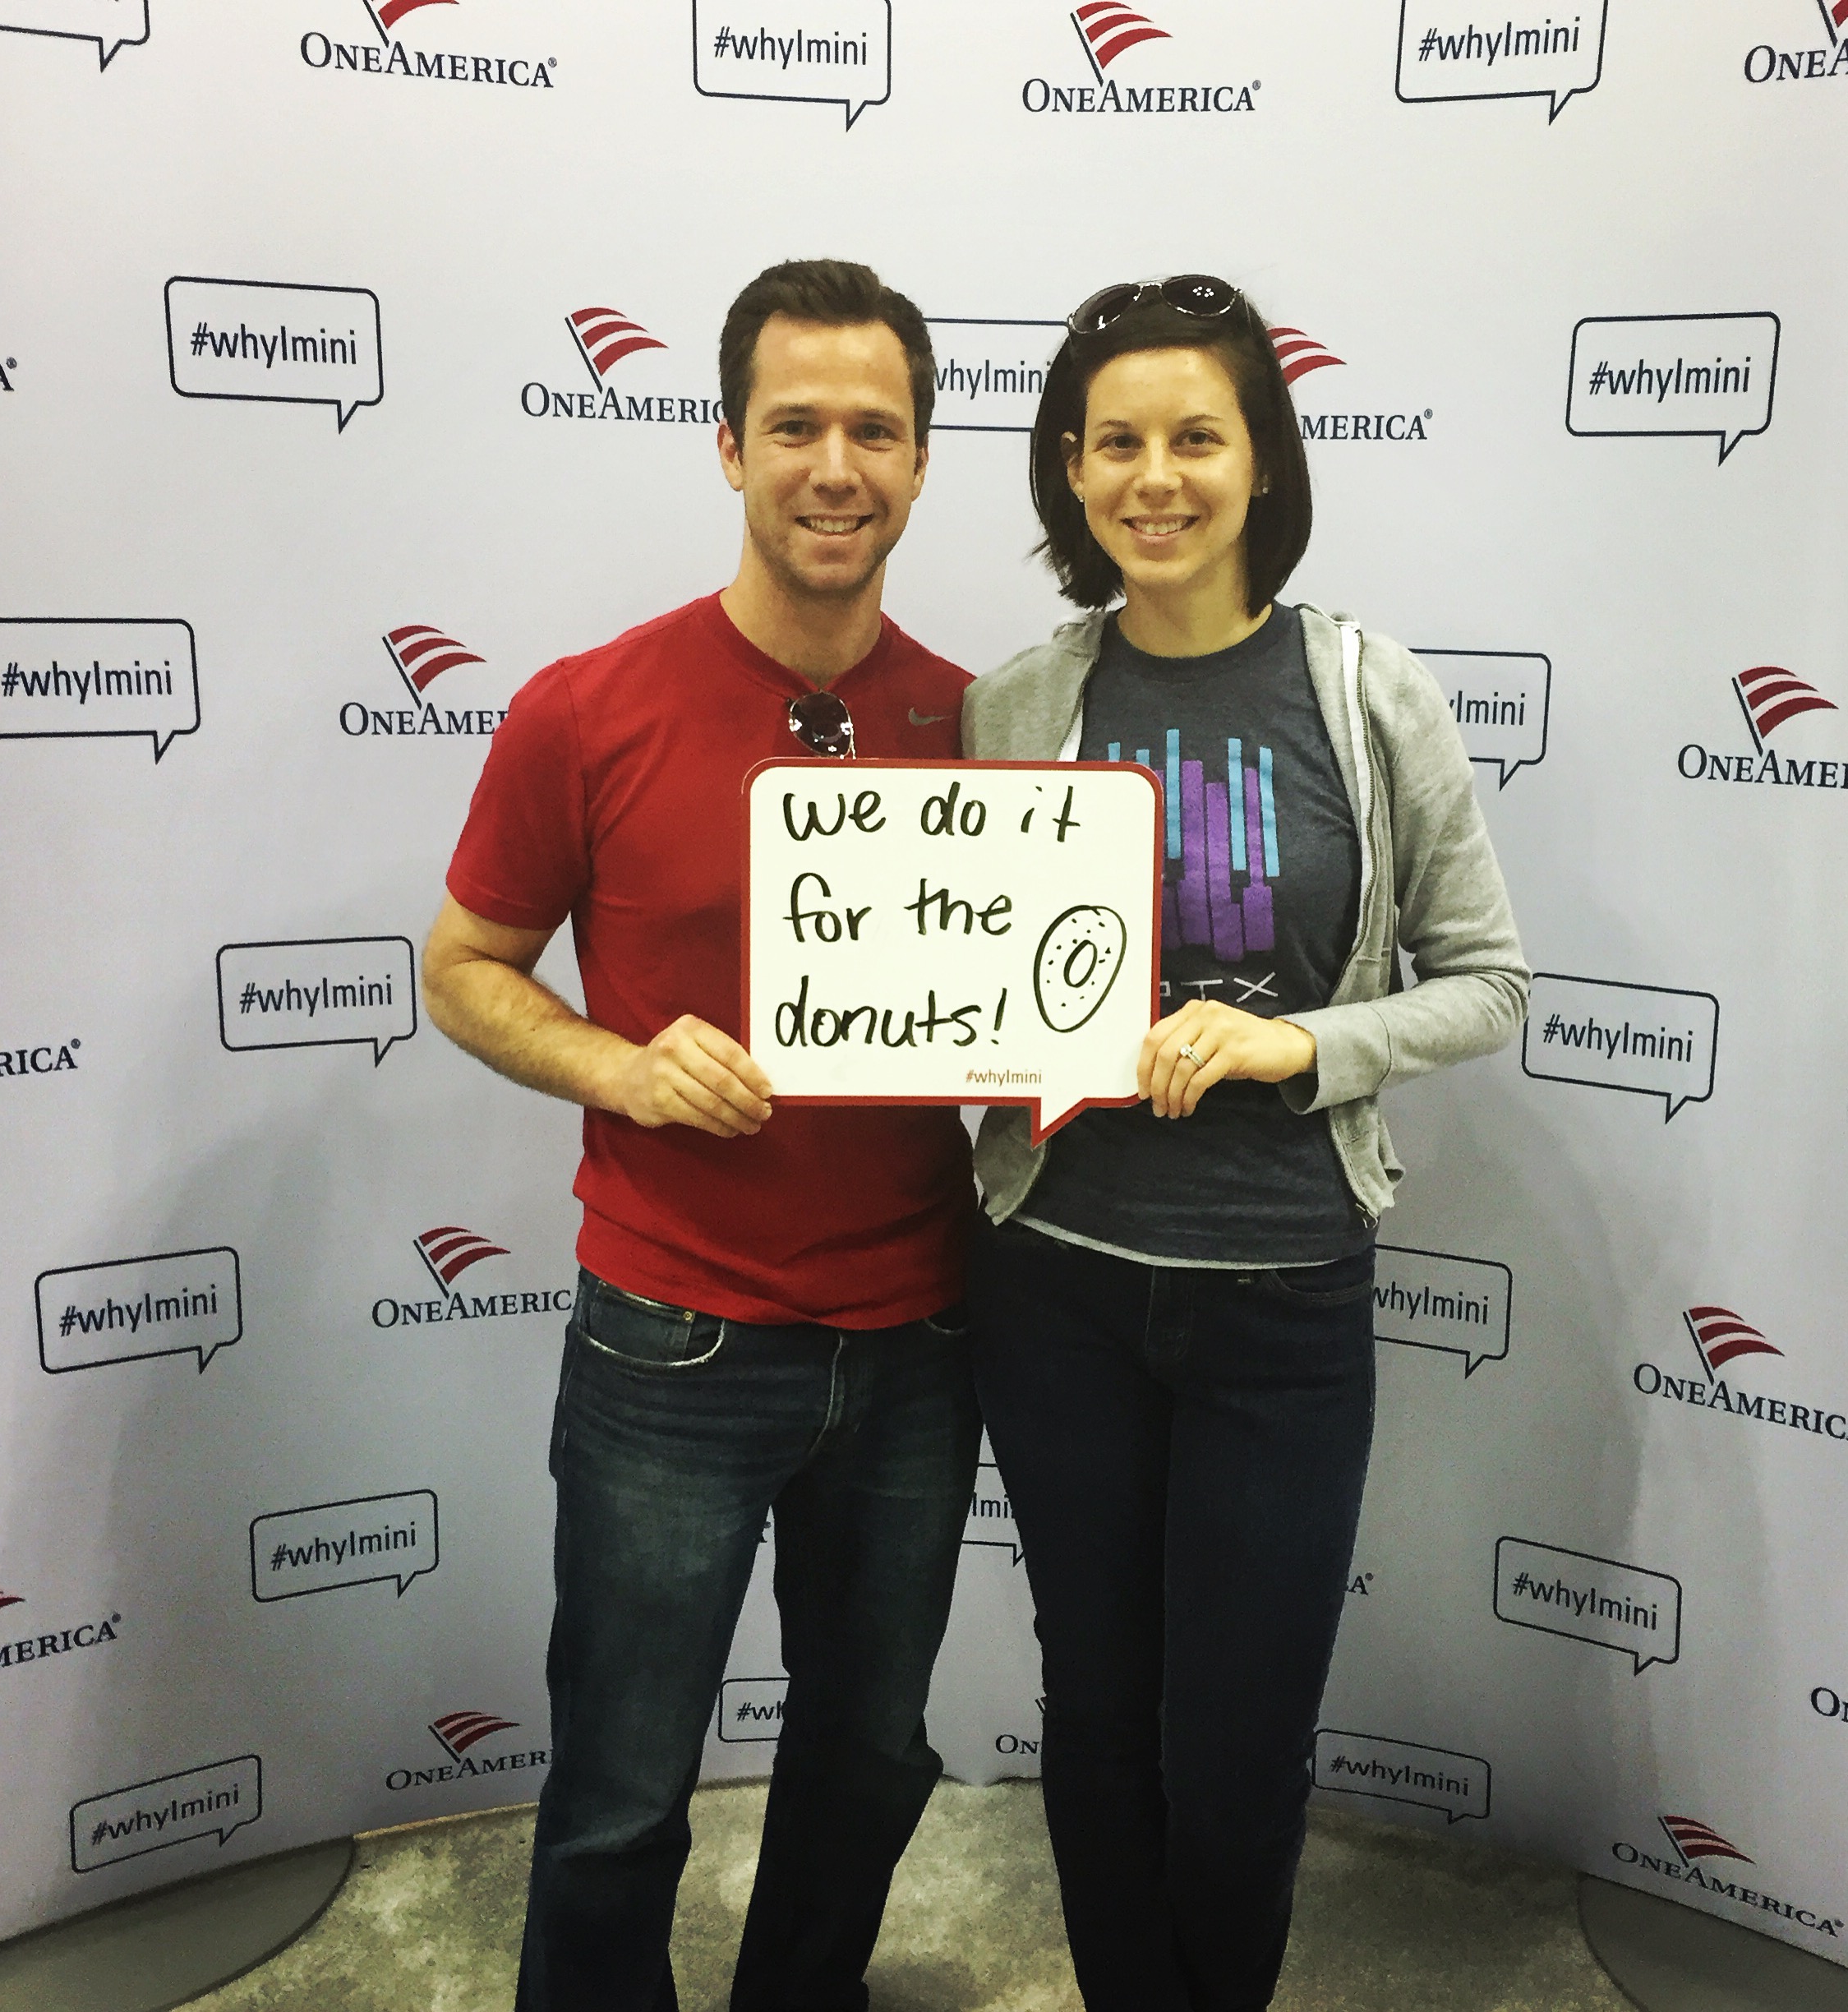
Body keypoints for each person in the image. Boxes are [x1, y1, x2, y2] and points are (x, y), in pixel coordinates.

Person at [961, 275, 1531, 2012]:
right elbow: (969, 987)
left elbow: (1490, 982)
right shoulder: (1019, 702)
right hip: (1056, 1293)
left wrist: (1302, 1042)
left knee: (1239, 1743)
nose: (1157, 475)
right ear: (1070, 472)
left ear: (1264, 462)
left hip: (1284, 1305)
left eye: (1196, 437)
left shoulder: (1367, 693)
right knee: (1096, 1715)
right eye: (1115, 441)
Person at [422, 259, 982, 2012]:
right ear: (728, 447)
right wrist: (622, 1067)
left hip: (917, 1338)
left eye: (874, 430)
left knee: (872, 1760)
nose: (837, 466)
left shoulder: (981, 723)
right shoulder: (586, 709)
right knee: (617, 1801)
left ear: (919, 461)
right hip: (672, 1338)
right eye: (797, 425)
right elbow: (463, 970)